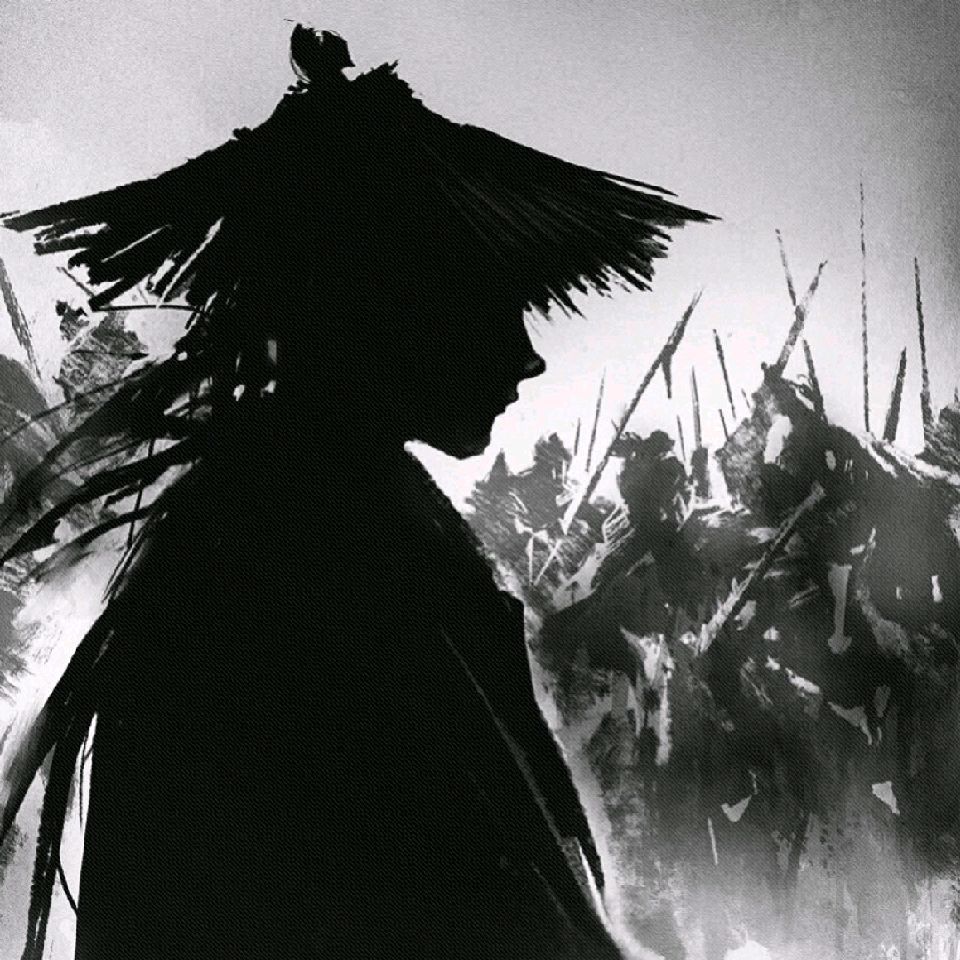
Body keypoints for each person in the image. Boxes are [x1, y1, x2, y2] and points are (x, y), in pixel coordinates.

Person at [0, 25, 711, 960]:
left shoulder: (326, 526)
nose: (526, 354)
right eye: (486, 301)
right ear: (389, 305)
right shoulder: (297, 562)